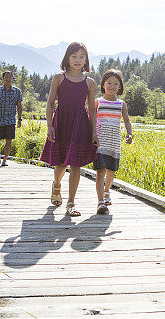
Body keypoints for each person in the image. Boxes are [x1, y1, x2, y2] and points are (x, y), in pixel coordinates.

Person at [39, 42, 99, 216]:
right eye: (74, 56)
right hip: (61, 121)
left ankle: (71, 203)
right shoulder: (59, 78)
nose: (78, 60)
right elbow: (50, 103)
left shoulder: (90, 82)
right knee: (60, 164)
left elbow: (92, 109)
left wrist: (94, 131)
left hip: (80, 124)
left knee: (76, 164)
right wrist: (50, 125)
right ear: (67, 58)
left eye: (82, 56)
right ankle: (56, 185)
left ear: (86, 59)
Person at [94, 69, 133, 214]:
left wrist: (129, 134)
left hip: (114, 142)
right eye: (109, 83)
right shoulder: (98, 102)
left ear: (120, 87)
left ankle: (106, 191)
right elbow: (90, 119)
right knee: (100, 171)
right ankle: (100, 202)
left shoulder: (121, 104)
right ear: (103, 84)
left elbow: (127, 121)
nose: (112, 86)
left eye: (116, 84)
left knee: (111, 171)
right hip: (100, 142)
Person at [0, 70, 23, 166]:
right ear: (3, 78)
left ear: (12, 78)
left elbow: (19, 106)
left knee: (9, 140)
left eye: (9, 77)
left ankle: (4, 160)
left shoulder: (17, 91)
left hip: (11, 119)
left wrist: (20, 119)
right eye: (6, 77)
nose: (8, 79)